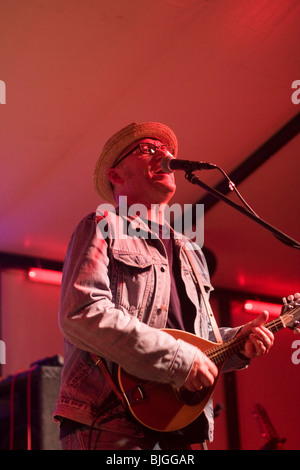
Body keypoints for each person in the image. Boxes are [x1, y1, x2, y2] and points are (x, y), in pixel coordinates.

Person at [53, 121, 275, 450]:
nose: (164, 154)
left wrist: (237, 343)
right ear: (116, 176)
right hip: (110, 422)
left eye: (166, 150)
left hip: (181, 426)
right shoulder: (103, 225)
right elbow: (82, 313)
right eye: (147, 149)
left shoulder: (190, 251)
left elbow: (199, 344)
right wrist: (176, 359)